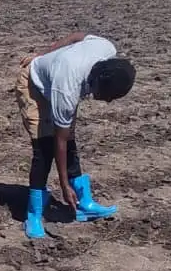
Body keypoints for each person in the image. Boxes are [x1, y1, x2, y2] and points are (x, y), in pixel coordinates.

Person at [15, 32, 136, 239]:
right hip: (33, 84)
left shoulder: (106, 48)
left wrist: (45, 53)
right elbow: (59, 140)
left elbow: (76, 36)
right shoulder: (67, 88)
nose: (107, 102)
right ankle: (33, 214)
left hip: (59, 77)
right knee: (44, 147)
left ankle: (83, 204)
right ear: (96, 82)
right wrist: (63, 184)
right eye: (107, 96)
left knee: (70, 140)